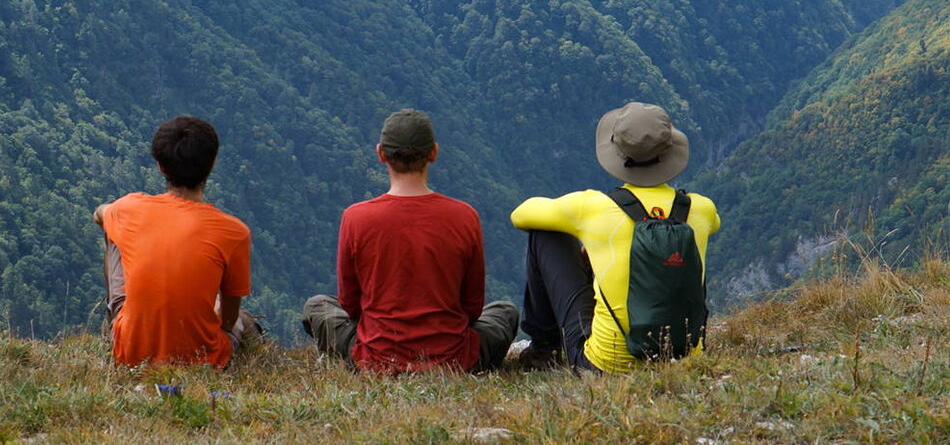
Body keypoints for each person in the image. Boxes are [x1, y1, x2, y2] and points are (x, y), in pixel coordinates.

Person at [302, 109, 519, 373]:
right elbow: (472, 308)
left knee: (317, 305)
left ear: (381, 153)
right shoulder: (464, 216)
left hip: (376, 358)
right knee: (505, 312)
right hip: (453, 360)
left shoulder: (356, 217)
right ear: (434, 152)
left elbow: (349, 304)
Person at [511, 102, 721, 374]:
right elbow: (714, 224)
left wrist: (585, 236)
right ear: (671, 152)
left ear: (617, 155)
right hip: (683, 360)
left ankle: (543, 350)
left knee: (545, 233)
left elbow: (520, 215)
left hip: (605, 365)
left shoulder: (592, 208)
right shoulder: (701, 208)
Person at [94, 115, 254, 367]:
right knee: (244, 320)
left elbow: (100, 213)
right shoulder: (233, 232)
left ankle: (121, 322)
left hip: (130, 353)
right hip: (205, 360)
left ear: (160, 166)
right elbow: (227, 319)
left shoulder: (128, 209)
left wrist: (109, 213)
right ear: (212, 163)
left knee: (112, 233)